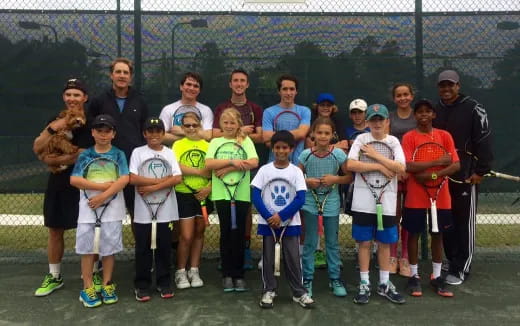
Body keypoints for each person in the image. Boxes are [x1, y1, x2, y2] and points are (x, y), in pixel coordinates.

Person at [33, 78, 94, 297]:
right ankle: (54, 275)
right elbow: (38, 147)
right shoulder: (55, 121)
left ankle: (91, 273)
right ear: (63, 97)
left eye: (77, 95)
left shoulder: (93, 122)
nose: (72, 99)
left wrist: (59, 160)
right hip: (58, 182)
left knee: (88, 230)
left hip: (85, 182)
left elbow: (86, 154)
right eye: (68, 94)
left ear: (84, 98)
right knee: (55, 229)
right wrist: (52, 129)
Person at [432, 70, 493, 285]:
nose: (446, 89)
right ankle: (452, 261)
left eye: (451, 85)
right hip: (442, 178)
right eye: (442, 86)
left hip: (466, 176)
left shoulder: (473, 108)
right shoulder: (435, 110)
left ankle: (462, 268)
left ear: (458, 86)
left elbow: (484, 140)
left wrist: (480, 170)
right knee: (446, 222)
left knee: (464, 222)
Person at [346, 104, 406, 305]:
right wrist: (380, 165)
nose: (377, 123)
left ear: (387, 121)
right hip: (363, 202)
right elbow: (351, 165)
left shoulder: (394, 142)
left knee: (384, 244)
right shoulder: (361, 140)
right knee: (364, 243)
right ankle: (364, 284)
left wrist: (376, 156)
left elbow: (400, 167)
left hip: (387, 202)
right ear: (367, 122)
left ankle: (384, 284)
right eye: (373, 119)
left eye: (381, 119)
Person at [401, 99, 460, 298]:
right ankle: (414, 276)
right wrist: (437, 162)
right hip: (416, 195)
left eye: (428, 111)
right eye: (419, 112)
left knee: (438, 234)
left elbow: (455, 165)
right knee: (413, 234)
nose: (423, 115)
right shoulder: (409, 137)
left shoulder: (445, 136)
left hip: (441, 195)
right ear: (415, 116)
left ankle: (436, 277)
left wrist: (433, 174)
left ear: (433, 115)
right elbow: (409, 166)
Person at [70, 114, 129, 308]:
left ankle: (106, 284)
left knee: (109, 250)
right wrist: (103, 186)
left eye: (107, 131)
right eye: (99, 131)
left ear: (113, 134)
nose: (103, 135)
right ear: (93, 132)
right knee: (87, 250)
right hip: (88, 210)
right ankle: (87, 287)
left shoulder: (119, 154)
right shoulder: (86, 155)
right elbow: (75, 180)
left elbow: (124, 179)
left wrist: (103, 195)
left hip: (112, 210)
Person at [251, 130, 315, 309]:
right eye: (277, 147)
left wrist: (281, 216)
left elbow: (300, 198)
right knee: (268, 259)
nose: (281, 151)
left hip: (290, 225)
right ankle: (269, 290)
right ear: (273, 148)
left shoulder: (296, 172)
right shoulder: (264, 170)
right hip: (268, 224)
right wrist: (269, 217)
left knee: (294, 259)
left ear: (291, 149)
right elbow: (255, 195)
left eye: (284, 148)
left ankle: (299, 292)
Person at [213, 69, 263, 270]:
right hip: (223, 179)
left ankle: (245, 250)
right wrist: (241, 132)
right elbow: (216, 134)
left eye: (243, 81)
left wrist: (242, 134)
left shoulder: (255, 108)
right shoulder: (221, 107)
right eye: (236, 80)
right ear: (230, 84)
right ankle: (227, 259)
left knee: (246, 211)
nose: (239, 84)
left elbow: (260, 136)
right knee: (226, 222)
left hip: (245, 172)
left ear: (247, 84)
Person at [88, 57, 149, 222]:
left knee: (138, 213)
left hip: (132, 165)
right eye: (118, 72)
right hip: (106, 163)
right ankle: (105, 248)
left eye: (126, 72)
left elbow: (146, 132)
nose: (122, 76)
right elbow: (91, 129)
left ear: (130, 77)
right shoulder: (99, 101)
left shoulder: (140, 100)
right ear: (111, 75)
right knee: (105, 213)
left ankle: (141, 248)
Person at [205, 108, 258, 292]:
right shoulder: (215, 142)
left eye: (232, 123)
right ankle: (227, 275)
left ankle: (239, 275)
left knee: (239, 235)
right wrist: (233, 162)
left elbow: (253, 162)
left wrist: (228, 168)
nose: (228, 126)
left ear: (238, 124)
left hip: (241, 195)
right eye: (225, 122)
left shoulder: (245, 141)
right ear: (220, 123)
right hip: (221, 195)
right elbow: (209, 163)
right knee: (226, 234)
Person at [129, 117, 182, 301]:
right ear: (144, 134)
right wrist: (162, 181)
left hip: (166, 211)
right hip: (143, 212)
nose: (154, 135)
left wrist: (152, 187)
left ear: (163, 134)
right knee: (142, 248)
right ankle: (142, 285)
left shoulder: (170, 153)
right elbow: (133, 178)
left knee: (164, 248)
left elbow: (177, 178)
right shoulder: (138, 152)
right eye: (150, 131)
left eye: (158, 131)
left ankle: (164, 282)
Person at [298, 117, 352, 298]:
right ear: (313, 134)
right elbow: (296, 177)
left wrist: (335, 179)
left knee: (332, 243)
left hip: (332, 202)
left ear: (332, 135)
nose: (322, 136)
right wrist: (307, 181)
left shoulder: (338, 155)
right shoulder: (306, 155)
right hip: (309, 202)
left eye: (326, 133)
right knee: (310, 242)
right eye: (319, 132)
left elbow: (348, 177)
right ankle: (307, 279)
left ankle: (335, 278)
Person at [172, 112, 213, 289]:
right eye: (187, 125)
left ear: (200, 126)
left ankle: (194, 270)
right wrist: (198, 172)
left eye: (194, 125)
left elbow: (214, 169)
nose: (190, 128)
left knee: (199, 232)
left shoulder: (209, 146)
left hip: (205, 194)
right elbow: (177, 166)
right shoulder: (177, 144)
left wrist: (208, 188)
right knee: (186, 235)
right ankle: (180, 272)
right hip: (183, 193)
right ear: (182, 128)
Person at [388, 83, 417, 277]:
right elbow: (388, 143)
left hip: (414, 173)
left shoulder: (418, 116)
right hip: (394, 173)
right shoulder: (389, 117)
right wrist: (397, 168)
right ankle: (391, 256)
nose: (403, 98)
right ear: (394, 98)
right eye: (399, 95)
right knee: (393, 214)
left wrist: (409, 169)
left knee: (408, 216)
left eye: (406, 94)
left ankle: (405, 257)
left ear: (411, 96)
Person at [262, 74, 311, 165]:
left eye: (292, 89)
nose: (288, 93)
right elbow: (266, 137)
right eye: (285, 89)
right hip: (273, 165)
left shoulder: (305, 111)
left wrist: (275, 137)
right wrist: (295, 135)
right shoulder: (268, 112)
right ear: (279, 91)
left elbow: (301, 133)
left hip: (298, 165)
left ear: (296, 91)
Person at [160, 72, 213, 144]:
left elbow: (208, 136)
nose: (191, 88)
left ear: (199, 90)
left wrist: (183, 132)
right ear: (181, 87)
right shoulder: (168, 109)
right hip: (174, 154)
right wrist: (196, 135)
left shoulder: (206, 110)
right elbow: (160, 136)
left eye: (196, 86)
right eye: (188, 84)